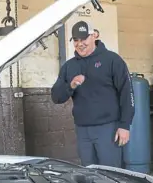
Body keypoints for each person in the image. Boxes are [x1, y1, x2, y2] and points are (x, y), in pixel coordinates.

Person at [51, 20, 135, 168]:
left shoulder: (112, 60)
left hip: (108, 129)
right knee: (88, 175)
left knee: (111, 174)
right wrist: (71, 85)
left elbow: (127, 94)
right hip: (83, 130)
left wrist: (125, 125)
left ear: (94, 35)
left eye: (84, 38)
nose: (80, 43)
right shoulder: (69, 67)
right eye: (76, 40)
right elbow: (56, 97)